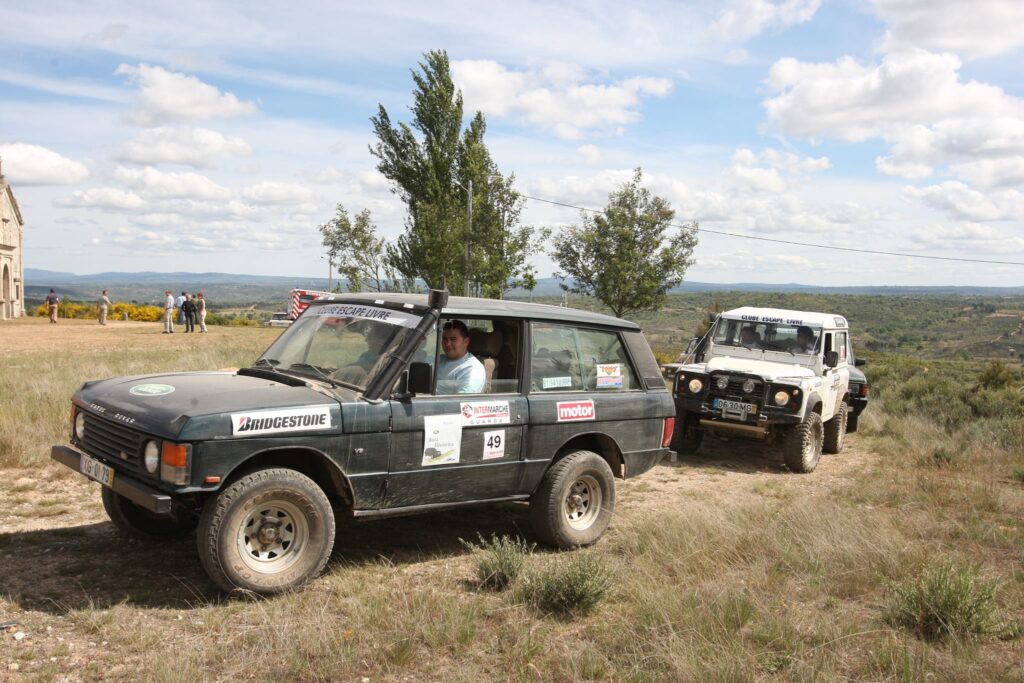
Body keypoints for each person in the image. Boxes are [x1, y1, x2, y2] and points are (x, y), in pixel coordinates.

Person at [436, 320, 485, 394]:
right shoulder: (439, 359)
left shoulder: (472, 368)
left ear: (466, 342)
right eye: (445, 339)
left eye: (453, 339)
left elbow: (462, 402)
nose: (447, 344)